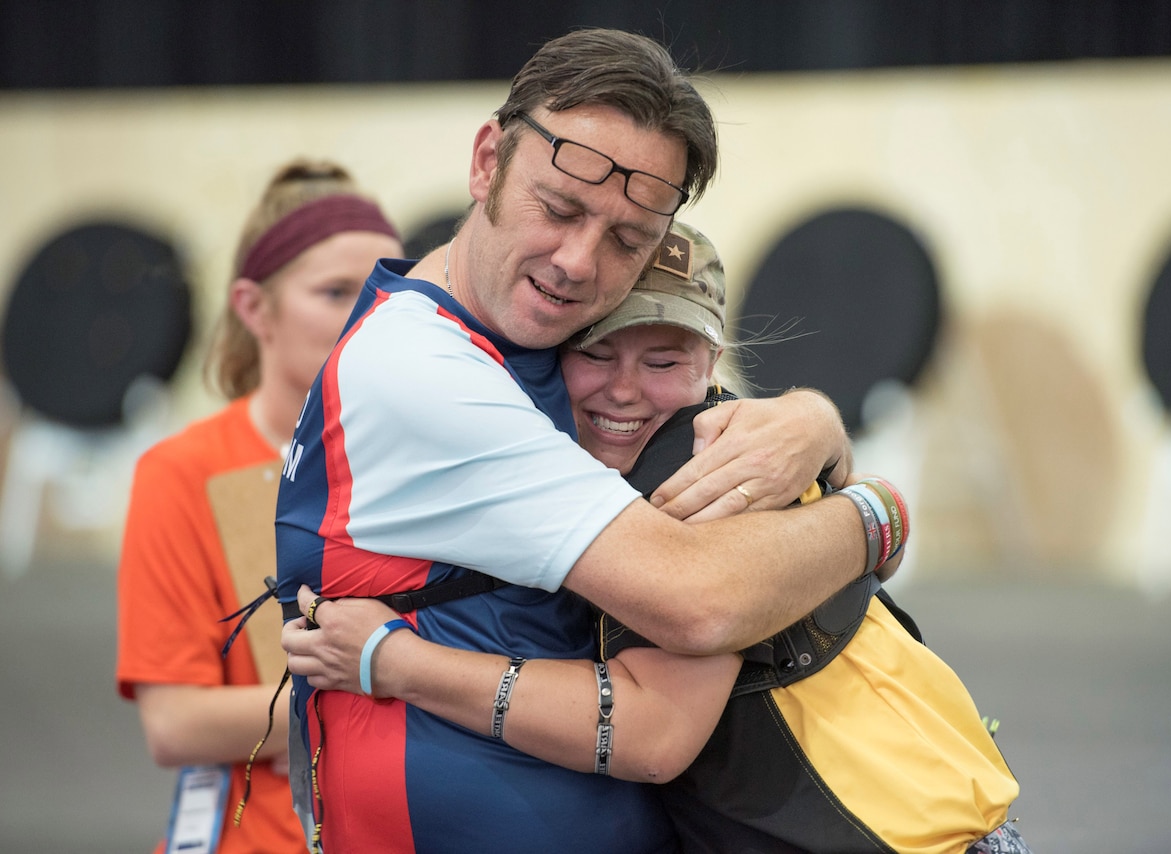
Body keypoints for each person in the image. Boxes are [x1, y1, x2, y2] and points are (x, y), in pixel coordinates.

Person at [276, 29, 882, 853]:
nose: (577, 262)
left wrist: (815, 419)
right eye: (558, 207)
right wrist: (879, 514)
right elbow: (698, 604)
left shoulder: (519, 342)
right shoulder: (420, 369)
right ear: (486, 161)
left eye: (628, 240)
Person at [288, 222, 1032, 854]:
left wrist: (395, 661)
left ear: (712, 364)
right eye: (598, 352)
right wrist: (866, 495)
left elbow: (652, 735)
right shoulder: (650, 456)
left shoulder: (705, 468)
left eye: (665, 360)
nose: (624, 389)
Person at [115, 158, 402, 854]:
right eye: (334, 292)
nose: (365, 316)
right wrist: (403, 680)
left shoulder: (425, 458)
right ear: (253, 307)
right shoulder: (186, 471)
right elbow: (177, 724)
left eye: (386, 292)